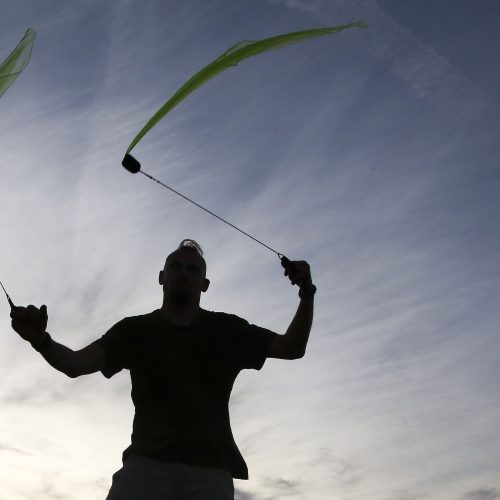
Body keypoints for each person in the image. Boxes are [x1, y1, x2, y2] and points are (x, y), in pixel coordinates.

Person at [10, 239, 316, 500]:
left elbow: (292, 348)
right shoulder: (134, 330)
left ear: (205, 284)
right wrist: (41, 340)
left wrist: (307, 293)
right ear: (162, 277)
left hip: (210, 472)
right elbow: (74, 364)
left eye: (193, 269)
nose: (183, 273)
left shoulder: (228, 329)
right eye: (176, 267)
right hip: (145, 466)